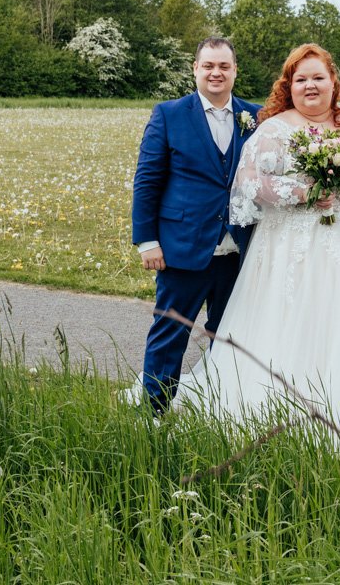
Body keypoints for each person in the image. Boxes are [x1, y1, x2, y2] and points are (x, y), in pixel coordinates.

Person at [174, 43, 340, 455]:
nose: (310, 86)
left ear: (333, 81)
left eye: (318, 77)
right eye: (300, 79)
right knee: (308, 323)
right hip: (303, 247)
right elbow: (248, 186)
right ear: (288, 86)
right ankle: (296, 421)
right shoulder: (276, 128)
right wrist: (304, 191)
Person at [131, 37, 262, 413]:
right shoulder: (169, 114)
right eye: (208, 66)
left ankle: (221, 410)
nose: (216, 73)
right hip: (182, 248)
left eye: (224, 66)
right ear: (195, 69)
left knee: (230, 336)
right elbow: (147, 181)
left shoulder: (257, 117)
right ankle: (155, 413)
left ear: (235, 71)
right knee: (170, 332)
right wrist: (147, 241)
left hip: (238, 250)